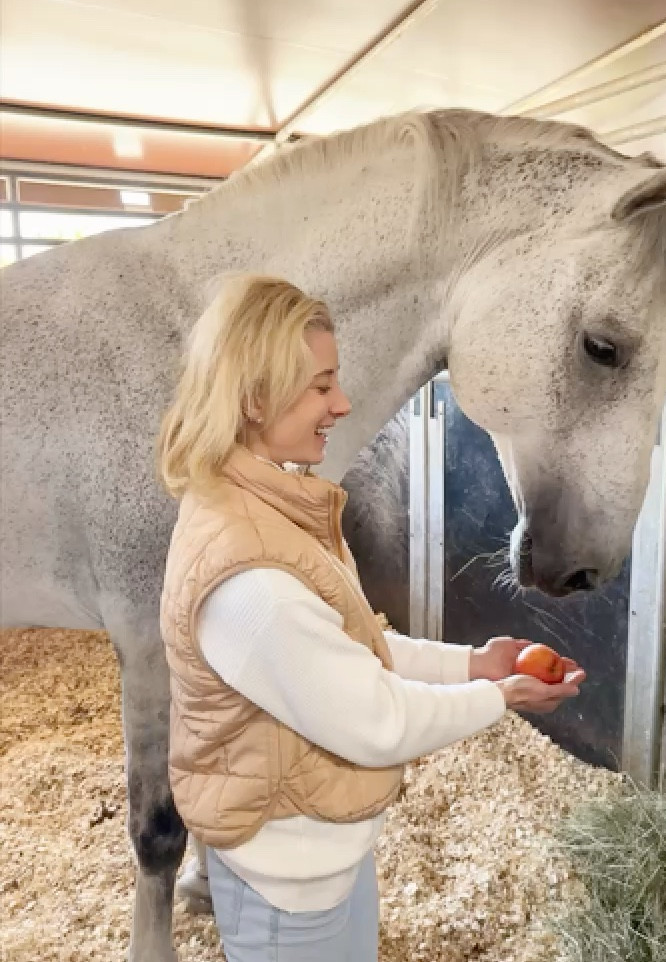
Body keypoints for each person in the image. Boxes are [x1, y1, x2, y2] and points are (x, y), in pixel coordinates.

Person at [156, 274, 586, 962]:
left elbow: (355, 648)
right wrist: (500, 696)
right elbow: (375, 717)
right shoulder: (250, 582)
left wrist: (472, 662)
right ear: (256, 397)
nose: (343, 402)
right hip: (287, 893)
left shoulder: (268, 510)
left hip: (321, 857)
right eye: (321, 385)